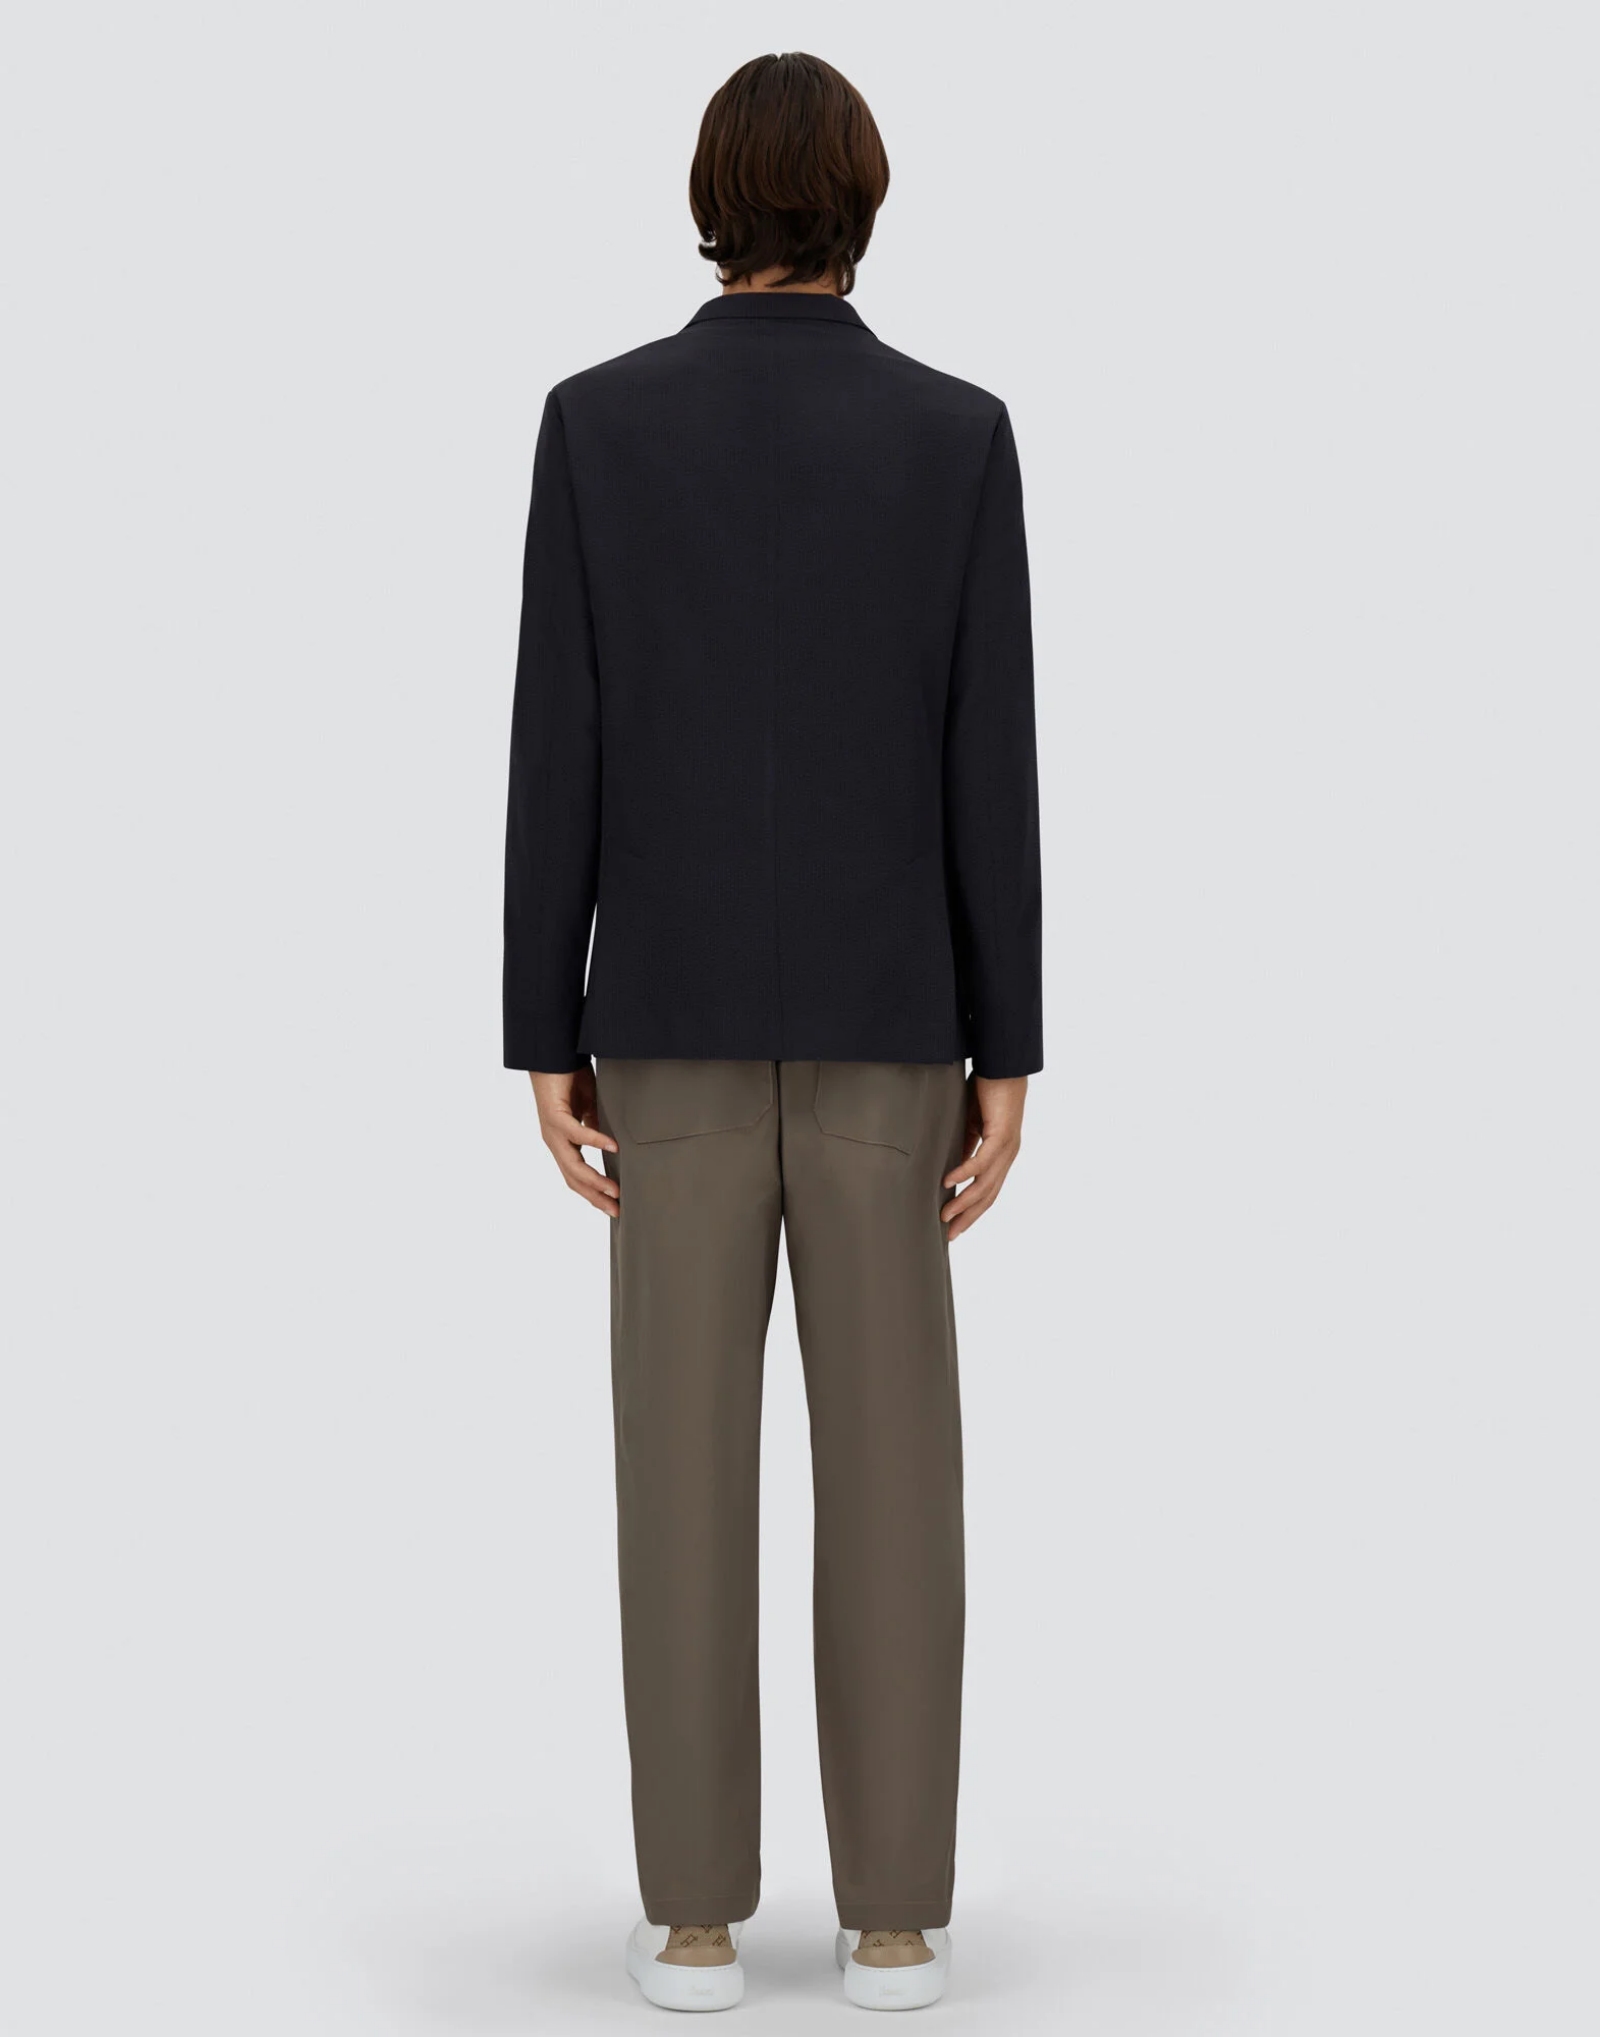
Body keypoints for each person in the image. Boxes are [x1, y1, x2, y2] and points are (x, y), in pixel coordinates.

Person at [503, 51, 1041, 2014]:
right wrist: (1007, 1047)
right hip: (897, 1019)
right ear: (862, 202)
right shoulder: (955, 437)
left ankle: (694, 1918)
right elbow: (988, 763)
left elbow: (557, 738)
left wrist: (540, 1026)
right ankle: (892, 1916)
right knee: (896, 1475)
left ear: (711, 199)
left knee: (677, 1470)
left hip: (662, 1016)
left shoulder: (598, 425)